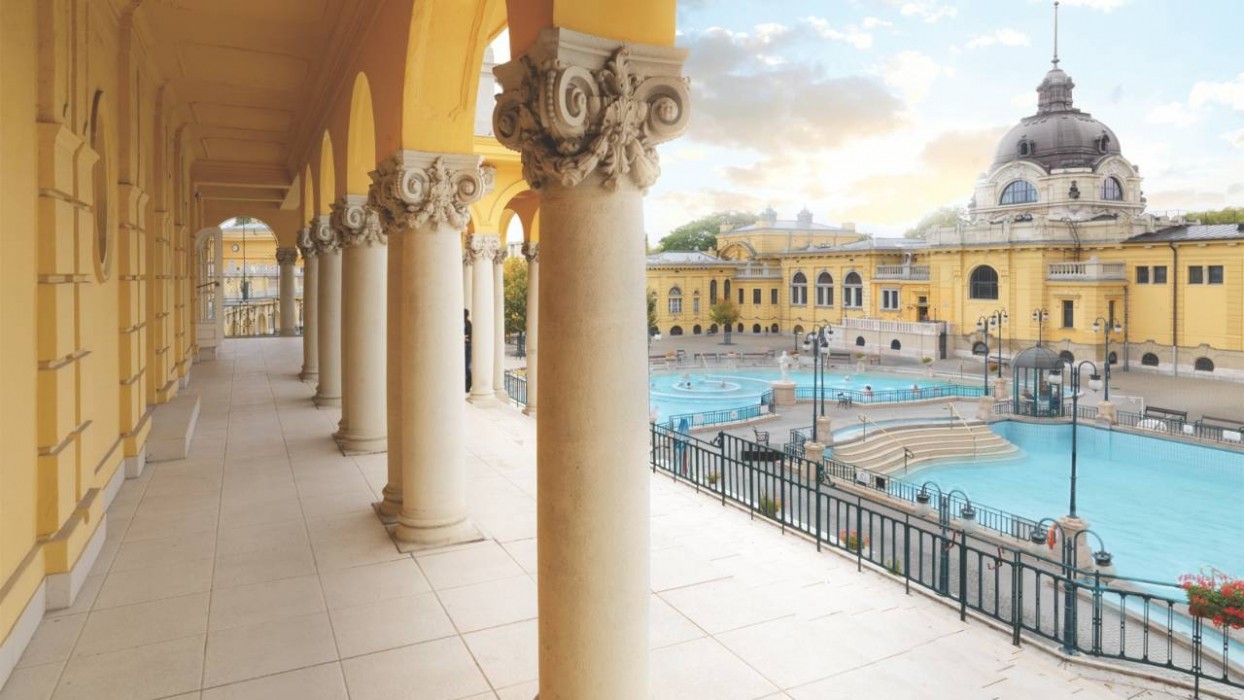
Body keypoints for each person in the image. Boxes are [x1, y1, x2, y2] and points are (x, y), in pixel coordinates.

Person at [464, 309, 472, 393]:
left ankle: (469, 384)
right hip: (464, 347)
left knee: (466, 367)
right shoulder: (460, 323)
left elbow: (470, 336)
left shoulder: (468, 323)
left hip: (467, 347)